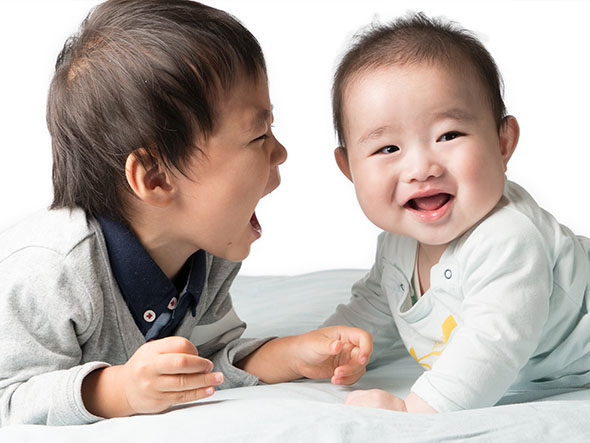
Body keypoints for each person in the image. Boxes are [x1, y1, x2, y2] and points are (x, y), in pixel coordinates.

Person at [0, 0, 372, 426]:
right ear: (156, 177)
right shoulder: (49, 275)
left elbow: (205, 359)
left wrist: (290, 356)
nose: (281, 152)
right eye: (257, 135)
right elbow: (8, 394)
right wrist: (117, 390)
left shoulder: (205, 254)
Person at [323, 12, 590, 414]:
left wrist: (417, 411)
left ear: (503, 143)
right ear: (350, 169)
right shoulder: (397, 245)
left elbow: (492, 343)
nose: (421, 168)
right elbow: (375, 306)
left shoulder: (508, 239)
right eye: (388, 149)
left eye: (448, 135)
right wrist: (331, 346)